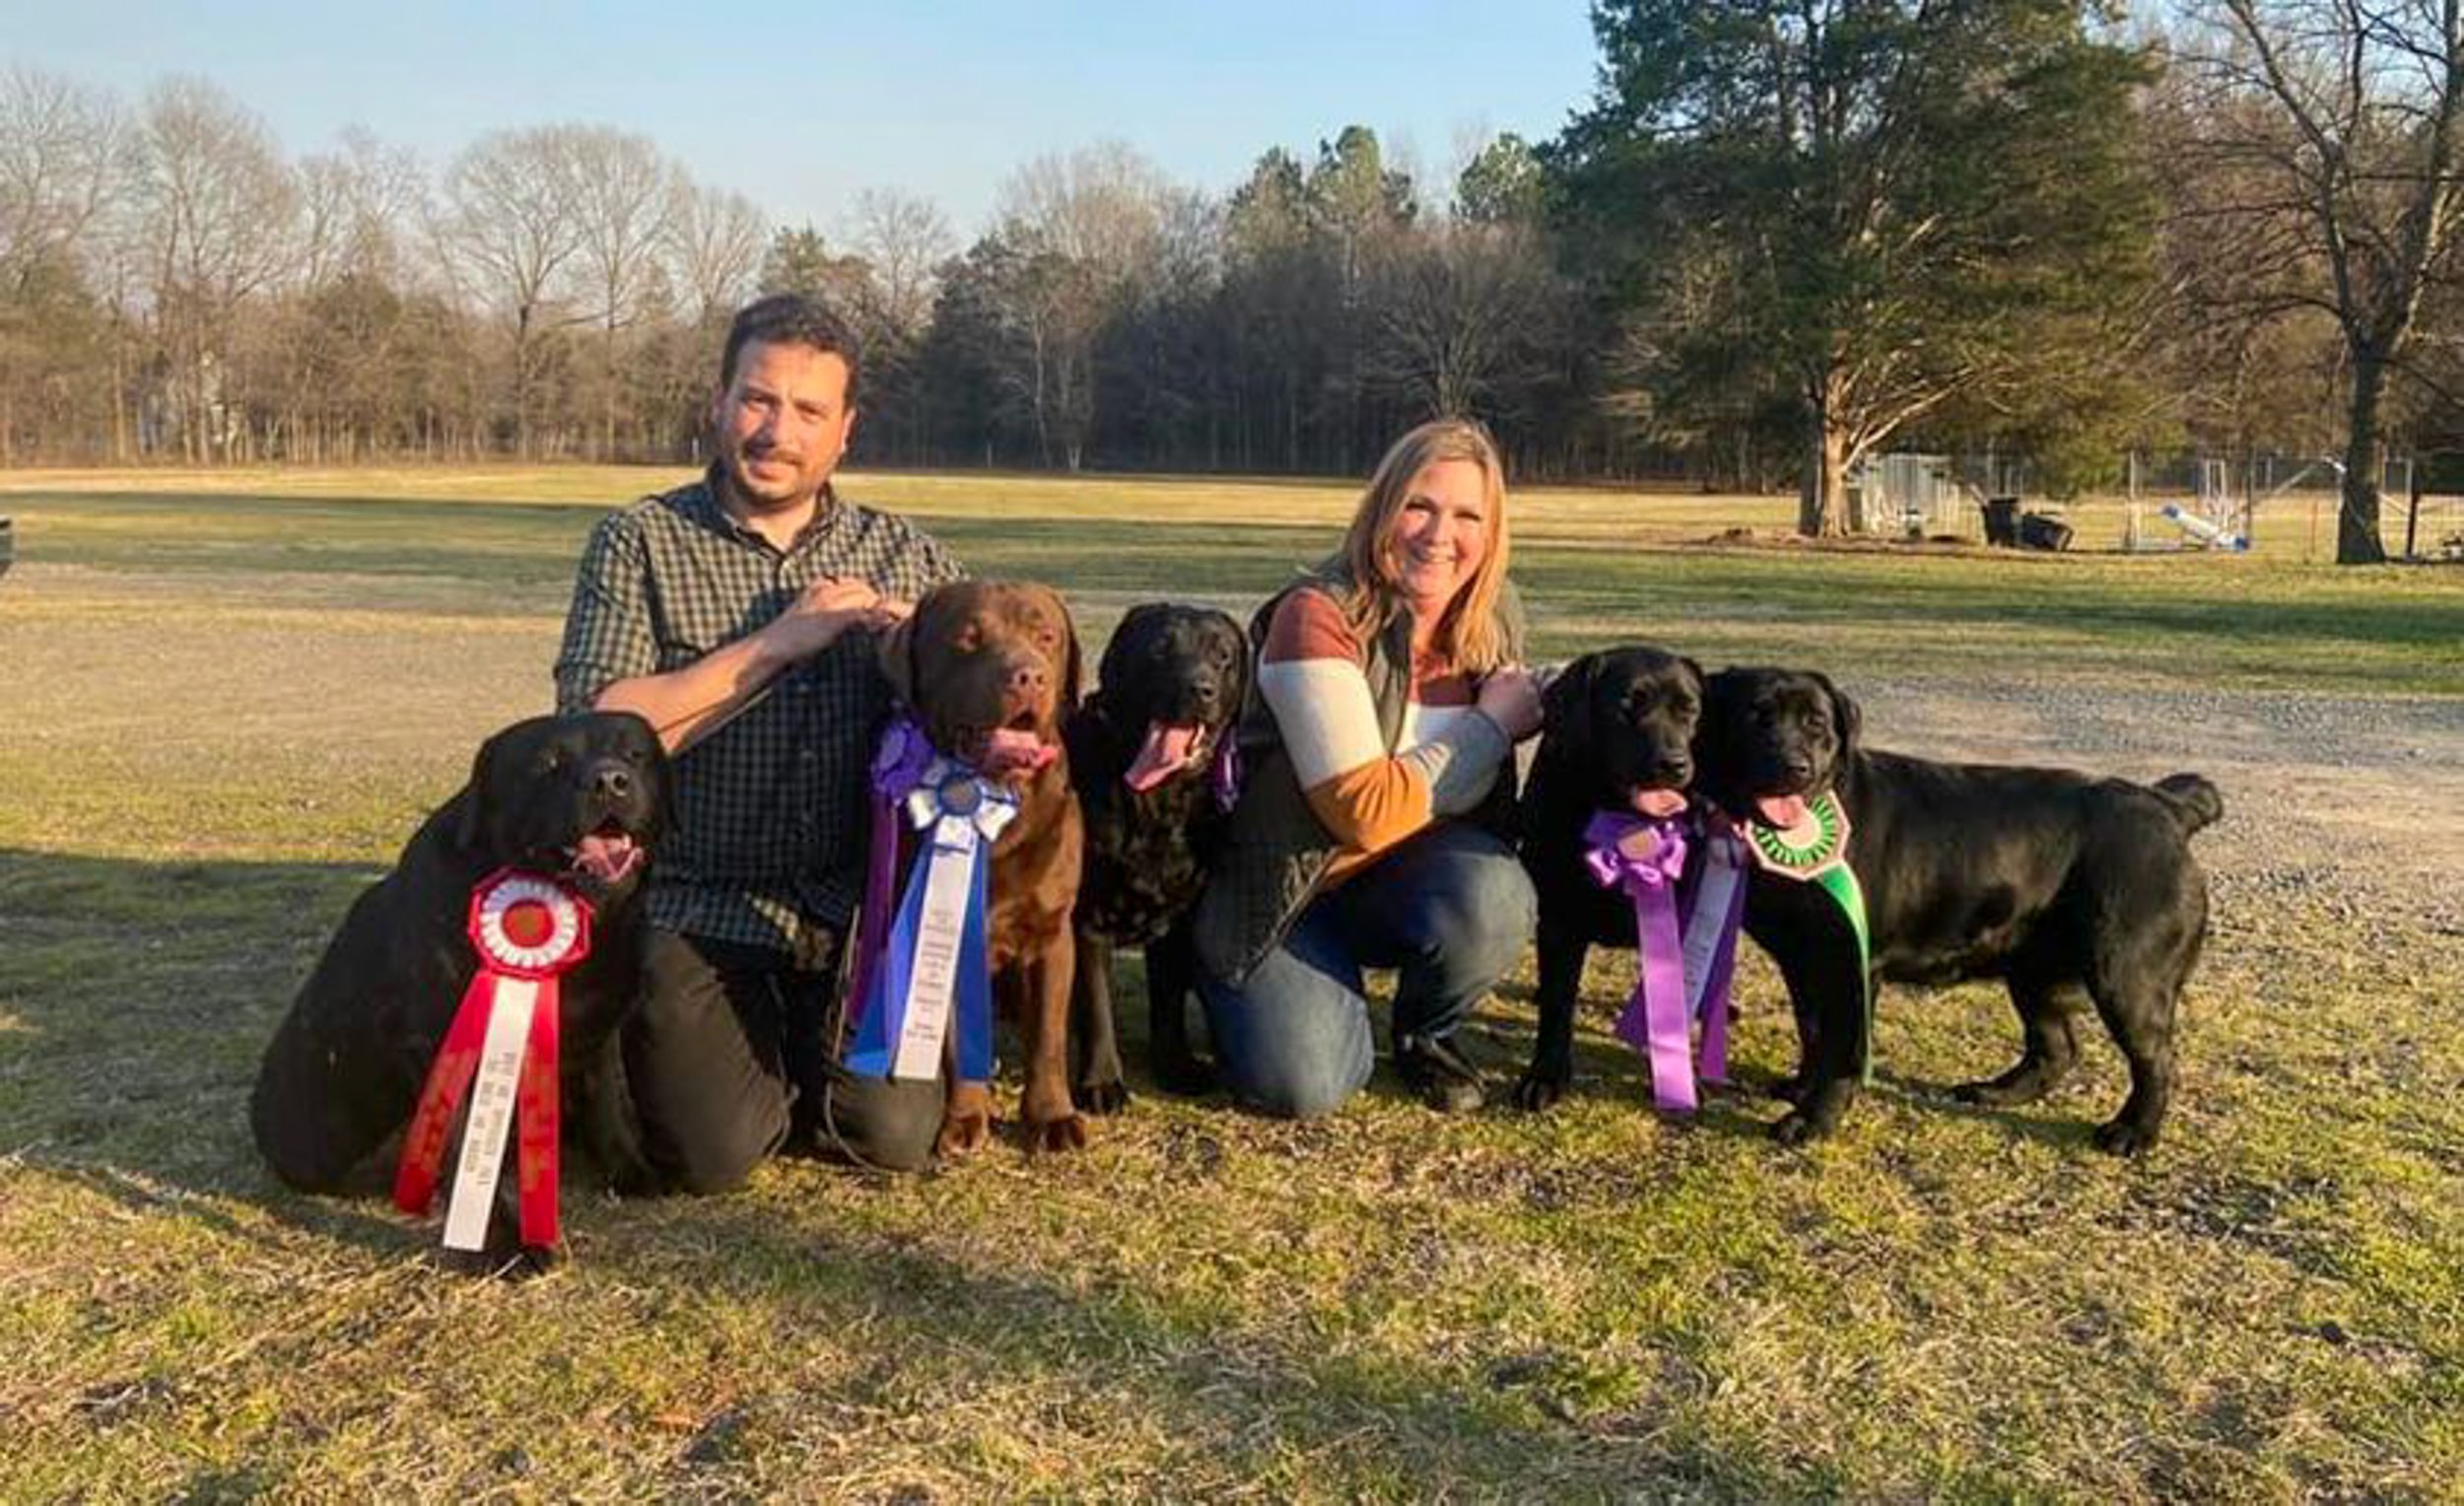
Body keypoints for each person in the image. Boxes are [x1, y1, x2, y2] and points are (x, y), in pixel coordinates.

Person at [555, 293, 965, 1190]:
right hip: (698, 906)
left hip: (849, 912)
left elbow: (977, 726)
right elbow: (594, 731)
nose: (778, 430)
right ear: (719, 400)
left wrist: (918, 667)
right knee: (711, 1156)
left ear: (846, 430)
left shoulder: (908, 557)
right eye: (758, 399)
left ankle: (794, 1052)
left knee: (889, 1138)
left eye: (809, 410)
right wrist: (779, 641)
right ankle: (667, 1051)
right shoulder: (640, 542)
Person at [1192, 418, 1543, 1118]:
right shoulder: (1316, 614)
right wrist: (1492, 726)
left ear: (1493, 531)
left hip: (1403, 880)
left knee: (1495, 891)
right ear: (1381, 506)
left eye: (1467, 515)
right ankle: (1259, 989)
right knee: (1305, 1086)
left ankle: (1425, 1033)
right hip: (1287, 890)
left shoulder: (1492, 614)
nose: (1439, 535)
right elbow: (1363, 809)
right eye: (1419, 505)